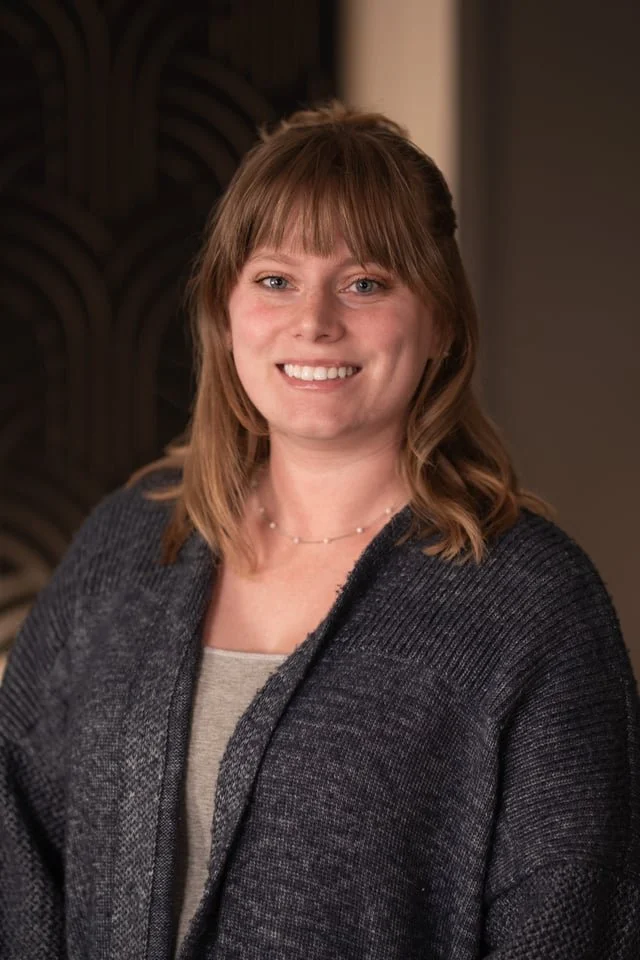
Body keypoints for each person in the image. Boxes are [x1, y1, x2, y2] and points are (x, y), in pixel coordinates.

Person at [1, 102, 638, 960]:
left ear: (441, 319)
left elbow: (572, 927)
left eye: (366, 282)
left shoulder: (532, 609)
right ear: (226, 311)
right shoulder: (128, 543)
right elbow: (14, 835)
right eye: (274, 279)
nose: (315, 321)